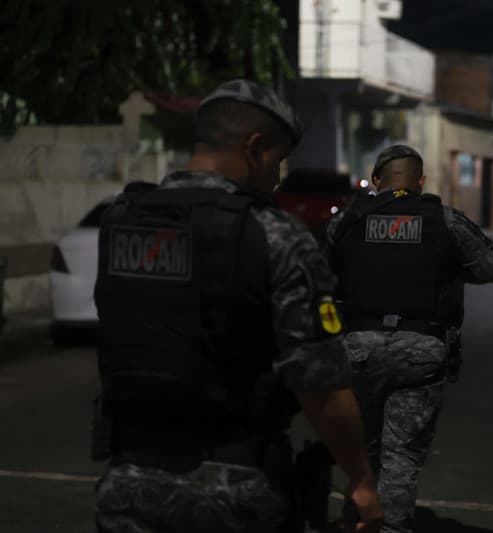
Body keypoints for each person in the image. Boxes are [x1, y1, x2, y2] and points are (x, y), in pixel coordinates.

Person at [93, 79, 382, 533]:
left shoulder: (121, 218)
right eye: (278, 161)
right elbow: (320, 384)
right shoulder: (275, 235)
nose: (277, 176)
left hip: (127, 485)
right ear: (254, 147)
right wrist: (361, 478)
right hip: (234, 490)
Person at [325, 145, 493, 533]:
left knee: (361, 453)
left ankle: (357, 520)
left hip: (358, 351)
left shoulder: (349, 220)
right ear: (421, 181)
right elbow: (489, 269)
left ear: (375, 181)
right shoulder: (443, 219)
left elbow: (321, 272)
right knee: (401, 457)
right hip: (420, 353)